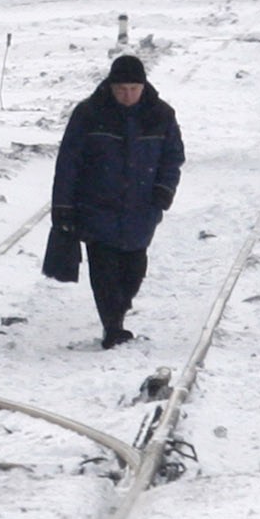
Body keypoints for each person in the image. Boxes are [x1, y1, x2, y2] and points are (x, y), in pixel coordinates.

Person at [50, 54, 186, 350]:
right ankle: (113, 326)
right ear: (111, 87)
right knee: (103, 269)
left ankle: (119, 311)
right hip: (97, 205)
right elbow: (69, 162)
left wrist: (163, 190)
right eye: (121, 89)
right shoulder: (89, 114)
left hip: (141, 207)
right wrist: (63, 206)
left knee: (134, 268)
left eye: (133, 89)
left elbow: (172, 156)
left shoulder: (160, 115)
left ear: (143, 86)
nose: (127, 96)